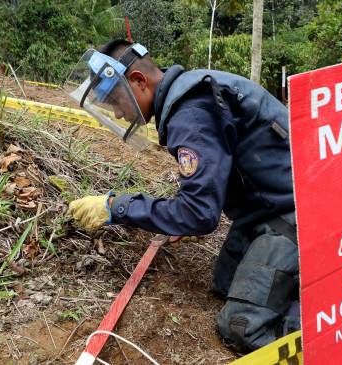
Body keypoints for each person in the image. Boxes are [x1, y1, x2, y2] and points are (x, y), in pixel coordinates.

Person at [66, 39, 300, 353]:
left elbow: (199, 215)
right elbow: (205, 188)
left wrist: (115, 208)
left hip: (301, 214)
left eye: (115, 100)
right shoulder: (190, 92)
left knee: (241, 326)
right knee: (224, 285)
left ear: (139, 81)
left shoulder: (189, 114)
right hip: (265, 209)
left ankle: (322, 319)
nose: (119, 114)